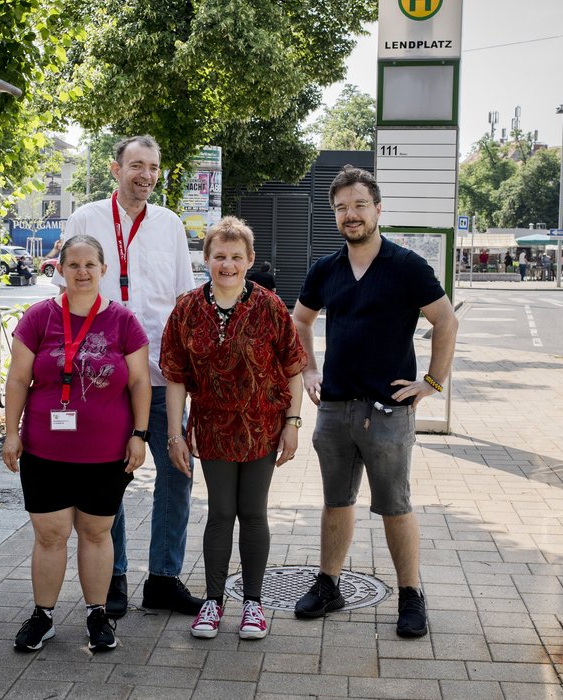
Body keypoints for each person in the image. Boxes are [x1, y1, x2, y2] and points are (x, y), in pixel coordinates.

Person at [291, 165, 458, 638]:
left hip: (388, 411)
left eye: (360, 205)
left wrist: (432, 382)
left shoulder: (406, 266)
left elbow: (445, 322)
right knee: (336, 501)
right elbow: (300, 320)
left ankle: (411, 595)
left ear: (378, 209)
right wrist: (309, 368)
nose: (351, 214)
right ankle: (329, 585)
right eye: (342, 207)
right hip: (336, 407)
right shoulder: (326, 268)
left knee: (394, 505)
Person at [54, 135, 202, 618]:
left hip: (162, 373)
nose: (146, 174)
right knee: (107, 478)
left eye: (153, 167)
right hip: (104, 378)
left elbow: (184, 302)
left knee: (177, 472)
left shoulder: (170, 225)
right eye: (136, 165)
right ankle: (112, 575)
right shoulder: (85, 219)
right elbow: (69, 292)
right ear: (115, 169)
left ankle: (163, 577)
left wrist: (190, 373)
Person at [2, 235, 151, 653]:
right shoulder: (38, 318)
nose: (82, 272)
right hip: (45, 451)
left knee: (96, 532)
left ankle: (97, 614)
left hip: (105, 453)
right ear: (60, 270)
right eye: (73, 265)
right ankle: (43, 615)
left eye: (90, 265)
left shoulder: (124, 321)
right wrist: (12, 433)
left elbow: (140, 383)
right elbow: (17, 380)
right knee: (49, 535)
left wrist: (140, 435)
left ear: (104, 270)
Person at [161, 217, 307, 641]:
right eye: (219, 256)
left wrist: (293, 424)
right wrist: (176, 433)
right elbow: (175, 376)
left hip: (263, 426)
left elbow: (294, 368)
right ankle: (213, 601)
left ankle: (255, 605)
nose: (228, 264)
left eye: (236, 257)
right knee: (221, 512)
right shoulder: (186, 309)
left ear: (250, 260)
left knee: (253, 513)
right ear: (206, 259)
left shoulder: (269, 306)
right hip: (214, 429)